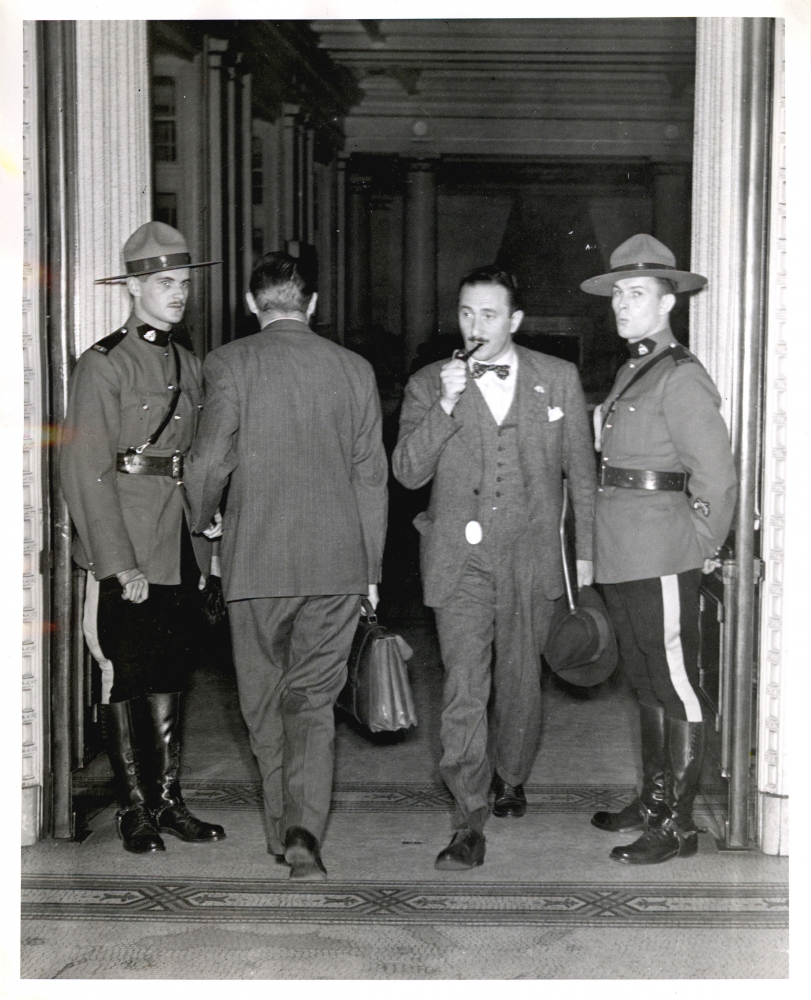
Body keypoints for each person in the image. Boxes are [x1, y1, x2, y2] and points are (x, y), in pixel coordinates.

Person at [184, 252, 388, 880]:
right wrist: (370, 570)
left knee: (265, 703)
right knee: (313, 704)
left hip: (256, 565)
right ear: (314, 305)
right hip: (336, 567)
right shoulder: (354, 370)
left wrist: (205, 521)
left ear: (252, 305)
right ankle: (304, 829)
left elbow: (207, 464)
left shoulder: (229, 364)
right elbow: (371, 479)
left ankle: (283, 828)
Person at [392, 266, 596, 870]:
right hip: (460, 560)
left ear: (514, 321)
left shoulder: (558, 380)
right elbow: (406, 471)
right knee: (462, 687)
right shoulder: (431, 383)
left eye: (488, 315)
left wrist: (583, 561)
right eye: (465, 313)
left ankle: (510, 773)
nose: (474, 326)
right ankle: (467, 818)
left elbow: (581, 474)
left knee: (520, 682)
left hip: (533, 557)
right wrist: (449, 404)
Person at [60, 221, 226, 854]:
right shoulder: (102, 366)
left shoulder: (187, 362)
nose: (177, 294)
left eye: (182, 283)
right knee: (128, 676)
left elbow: (195, 459)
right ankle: (134, 808)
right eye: (164, 283)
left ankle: (168, 800)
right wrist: (116, 562)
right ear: (134, 287)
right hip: (128, 541)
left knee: (173, 672)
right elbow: (84, 469)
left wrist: (208, 527)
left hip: (177, 541)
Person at [581, 233, 737, 865]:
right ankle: (652, 800)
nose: (622, 304)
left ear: (667, 302)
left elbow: (717, 479)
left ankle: (678, 824)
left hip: (664, 553)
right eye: (618, 292)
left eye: (636, 293)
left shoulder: (681, 377)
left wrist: (695, 547)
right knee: (646, 681)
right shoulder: (632, 369)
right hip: (625, 550)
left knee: (678, 685)